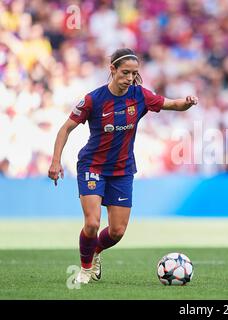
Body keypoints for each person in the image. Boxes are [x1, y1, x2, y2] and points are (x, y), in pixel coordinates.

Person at [48, 48, 198, 284]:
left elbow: (172, 104)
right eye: (125, 72)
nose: (129, 78)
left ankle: (95, 252)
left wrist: (187, 103)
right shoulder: (93, 100)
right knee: (92, 223)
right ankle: (85, 268)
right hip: (92, 166)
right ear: (112, 70)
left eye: (134, 73)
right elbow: (65, 128)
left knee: (117, 231)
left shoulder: (140, 96)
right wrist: (56, 161)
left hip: (122, 170)